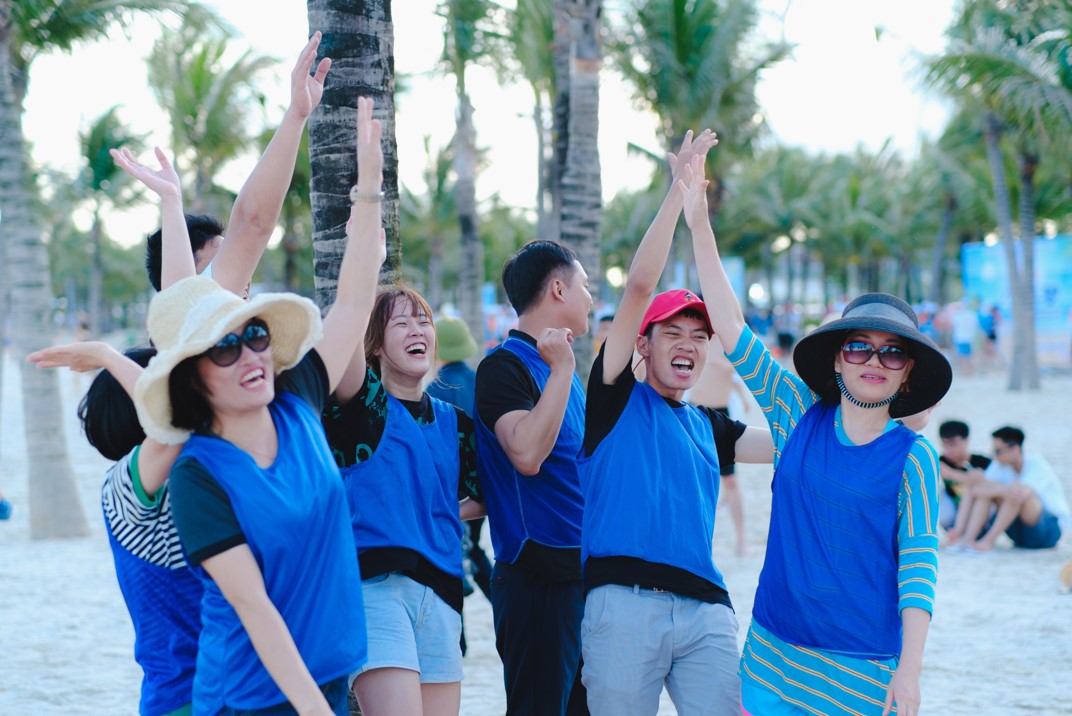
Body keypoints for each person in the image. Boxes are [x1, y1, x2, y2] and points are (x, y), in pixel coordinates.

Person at [128, 94, 384, 715]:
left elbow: (354, 302)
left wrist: (369, 191)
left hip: (328, 674)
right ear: (192, 378)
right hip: (250, 699)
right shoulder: (199, 474)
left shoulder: (296, 400)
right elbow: (254, 608)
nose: (249, 355)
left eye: (257, 335)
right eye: (224, 348)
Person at [679, 152, 952, 716]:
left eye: (892, 353)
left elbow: (919, 567)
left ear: (907, 373)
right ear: (836, 358)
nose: (873, 360)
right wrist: (700, 223)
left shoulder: (915, 458)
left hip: (862, 675)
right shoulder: (795, 411)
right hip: (771, 658)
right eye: (859, 347)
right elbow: (731, 328)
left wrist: (910, 673)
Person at [578, 135, 774, 716]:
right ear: (644, 343)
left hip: (706, 608)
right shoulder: (614, 398)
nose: (688, 344)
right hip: (622, 603)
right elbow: (640, 287)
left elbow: (792, 445)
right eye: (673, 333)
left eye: (699, 336)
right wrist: (679, 196)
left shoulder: (709, 426)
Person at [321, 287, 483, 716]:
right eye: (401, 323)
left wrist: (440, 513)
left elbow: (489, 496)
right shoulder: (361, 408)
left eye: (423, 321)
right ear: (374, 344)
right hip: (376, 589)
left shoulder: (454, 421)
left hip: (443, 592)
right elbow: (347, 322)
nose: (417, 330)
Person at [29, 344, 201, 716]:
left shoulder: (196, 474)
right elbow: (174, 425)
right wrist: (106, 355)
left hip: (229, 688)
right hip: (184, 697)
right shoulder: (124, 485)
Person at [474, 240, 592, 715]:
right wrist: (561, 370)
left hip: (582, 573)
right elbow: (526, 453)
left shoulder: (566, 374)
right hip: (538, 576)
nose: (591, 299)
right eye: (586, 286)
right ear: (559, 289)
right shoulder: (504, 366)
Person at [139, 32, 333, 298]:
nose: (243, 264)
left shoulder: (225, 316)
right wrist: (296, 115)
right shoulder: (197, 306)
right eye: (222, 255)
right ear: (186, 272)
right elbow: (252, 220)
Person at [426, 317, 493, 617]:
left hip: (447, 487)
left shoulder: (433, 390)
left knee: (451, 554)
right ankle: (498, 601)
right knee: (473, 546)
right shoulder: (481, 381)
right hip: (480, 485)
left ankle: (461, 632)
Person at [949, 426, 1070, 552]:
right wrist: (1002, 490)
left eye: (998, 451)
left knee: (1016, 494)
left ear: (1015, 449)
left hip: (1047, 533)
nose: (994, 456)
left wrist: (1001, 489)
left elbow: (1021, 494)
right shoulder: (999, 465)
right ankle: (968, 539)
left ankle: (988, 541)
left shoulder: (1036, 463)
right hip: (1019, 534)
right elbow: (976, 490)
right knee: (993, 491)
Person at [688, 332, 754, 556]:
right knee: (694, 479)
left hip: (721, 415)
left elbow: (737, 373)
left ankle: (742, 540)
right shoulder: (701, 335)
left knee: (731, 481)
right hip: (696, 410)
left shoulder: (732, 338)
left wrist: (743, 398)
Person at [935, 420, 991, 534]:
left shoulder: (983, 462)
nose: (948, 450)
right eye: (945, 444)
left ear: (966, 441)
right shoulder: (942, 461)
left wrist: (951, 473)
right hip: (953, 512)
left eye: (953, 444)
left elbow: (987, 484)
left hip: (979, 511)